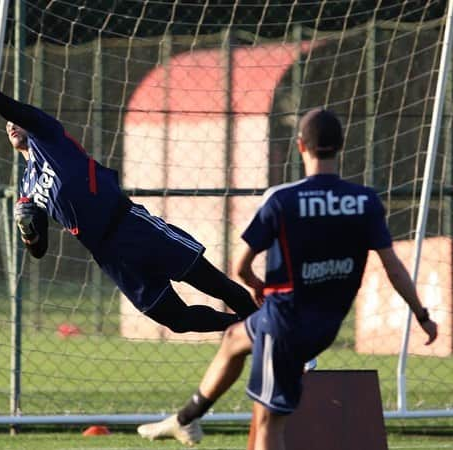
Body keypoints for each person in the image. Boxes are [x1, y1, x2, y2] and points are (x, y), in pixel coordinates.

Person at [136, 108, 438, 449]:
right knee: (235, 340)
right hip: (326, 322)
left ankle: (186, 421)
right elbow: (394, 268)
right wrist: (422, 315)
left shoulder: (282, 199)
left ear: (299, 146)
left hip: (284, 324)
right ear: (341, 146)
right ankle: (185, 420)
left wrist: (256, 285)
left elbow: (241, 266)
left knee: (268, 425)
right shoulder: (365, 202)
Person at [0, 56, 258, 332]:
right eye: (7, 126)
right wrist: (28, 230)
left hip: (131, 226)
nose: (11, 124)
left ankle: (277, 333)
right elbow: (38, 251)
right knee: (175, 320)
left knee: (215, 284)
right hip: (109, 253)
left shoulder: (46, 136)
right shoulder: (26, 186)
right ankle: (254, 329)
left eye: (13, 120)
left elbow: (3, 103)